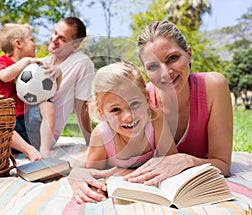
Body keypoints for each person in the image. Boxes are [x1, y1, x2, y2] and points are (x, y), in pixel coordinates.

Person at [68, 20, 233, 203]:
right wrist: (77, 173)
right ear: (146, 71)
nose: (165, 73)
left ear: (189, 54)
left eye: (173, 58)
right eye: (153, 66)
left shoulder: (212, 87)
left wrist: (185, 160)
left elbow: (223, 165)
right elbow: (101, 149)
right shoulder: (138, 100)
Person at [78, 61, 177, 203]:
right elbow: (93, 175)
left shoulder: (156, 120)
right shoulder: (102, 135)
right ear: (101, 113)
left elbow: (171, 161)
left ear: (147, 99)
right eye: (115, 110)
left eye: (135, 104)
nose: (128, 116)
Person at [0, 23, 62, 158]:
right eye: (32, 40)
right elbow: (5, 76)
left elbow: (53, 90)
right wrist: (26, 61)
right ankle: (25, 150)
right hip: (9, 129)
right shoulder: (3, 61)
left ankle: (44, 149)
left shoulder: (34, 67)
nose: (35, 45)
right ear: (18, 44)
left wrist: (58, 74)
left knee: (48, 105)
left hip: (29, 124)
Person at [26, 16, 94, 146]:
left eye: (62, 38)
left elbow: (81, 107)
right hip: (19, 123)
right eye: (55, 33)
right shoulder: (42, 62)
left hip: (39, 134)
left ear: (75, 46)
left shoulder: (81, 63)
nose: (54, 39)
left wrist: (90, 143)